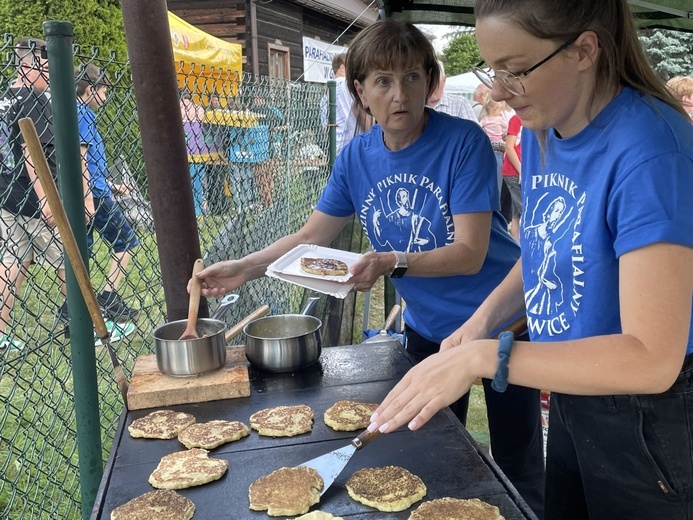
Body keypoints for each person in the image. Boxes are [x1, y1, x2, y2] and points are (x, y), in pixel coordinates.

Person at [193, 19, 545, 516]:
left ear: (431, 82)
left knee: (517, 459)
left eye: (411, 78)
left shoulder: (463, 142)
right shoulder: (355, 157)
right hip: (428, 332)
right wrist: (245, 268)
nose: (398, 94)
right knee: (432, 448)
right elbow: (311, 236)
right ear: (359, 90)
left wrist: (391, 263)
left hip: (502, 322)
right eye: (382, 80)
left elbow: (469, 251)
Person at [368, 2, 693, 519]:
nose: (498, 91)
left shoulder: (651, 150)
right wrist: (478, 325)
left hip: (648, 417)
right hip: (572, 385)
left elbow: (653, 358)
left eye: (515, 71)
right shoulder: (546, 130)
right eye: (492, 70)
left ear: (585, 50)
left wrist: (483, 359)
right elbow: (543, 252)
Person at [0, 38, 90, 350]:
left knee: (13, 260)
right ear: (30, 64)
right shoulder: (34, 99)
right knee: (67, 257)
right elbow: (31, 153)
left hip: (8, 196)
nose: (52, 73)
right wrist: (47, 201)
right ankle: (83, 324)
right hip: (35, 198)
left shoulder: (6, 97)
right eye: (48, 65)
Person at [76, 63, 140, 326]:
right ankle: (109, 296)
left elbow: (90, 162)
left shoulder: (77, 113)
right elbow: (80, 157)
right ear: (90, 89)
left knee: (84, 251)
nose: (104, 99)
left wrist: (113, 185)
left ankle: (77, 306)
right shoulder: (82, 116)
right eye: (103, 93)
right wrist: (89, 198)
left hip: (96, 190)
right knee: (127, 241)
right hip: (94, 196)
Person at [501, 114, 522, 240]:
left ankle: (517, 246)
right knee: (525, 210)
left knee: (516, 213)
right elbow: (509, 147)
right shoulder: (516, 119)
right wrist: (521, 170)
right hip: (514, 171)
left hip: (520, 171)